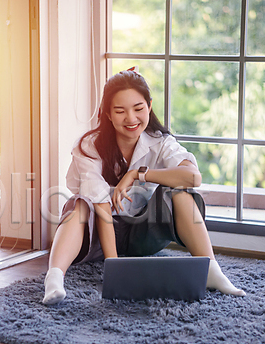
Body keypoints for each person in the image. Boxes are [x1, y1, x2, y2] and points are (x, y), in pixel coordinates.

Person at [42, 68, 245, 305]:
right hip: (98, 234)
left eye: (138, 109)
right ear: (107, 114)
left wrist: (139, 175)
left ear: (149, 106)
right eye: (120, 111)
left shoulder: (160, 141)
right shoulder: (89, 146)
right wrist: (115, 267)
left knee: (179, 190)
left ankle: (212, 271)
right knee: (78, 205)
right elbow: (101, 205)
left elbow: (193, 178)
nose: (131, 119)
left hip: (143, 232)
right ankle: (54, 278)